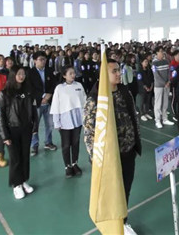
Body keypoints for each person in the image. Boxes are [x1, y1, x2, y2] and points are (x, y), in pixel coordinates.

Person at [84, 58, 141, 235]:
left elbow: (133, 117)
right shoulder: (96, 99)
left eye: (119, 70)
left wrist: (135, 140)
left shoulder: (124, 91)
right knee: (112, 193)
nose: (118, 74)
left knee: (125, 189)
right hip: (110, 158)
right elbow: (89, 132)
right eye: (114, 71)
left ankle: (123, 222)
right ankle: (113, 227)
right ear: (104, 74)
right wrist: (96, 158)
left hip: (128, 151)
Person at [0, 67, 37, 200]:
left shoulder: (28, 91)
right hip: (12, 130)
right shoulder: (5, 93)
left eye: (23, 74)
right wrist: (5, 135)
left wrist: (34, 126)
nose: (21, 76)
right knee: (15, 158)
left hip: (26, 129)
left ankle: (24, 180)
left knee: (25, 156)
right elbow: (1, 116)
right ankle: (16, 185)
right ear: (13, 75)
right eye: (19, 74)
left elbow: (33, 110)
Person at [51, 66, 86, 178]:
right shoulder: (59, 88)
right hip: (65, 120)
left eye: (74, 73)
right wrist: (56, 122)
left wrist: (85, 117)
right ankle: (67, 166)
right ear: (64, 75)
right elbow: (55, 105)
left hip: (77, 119)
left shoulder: (79, 86)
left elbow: (84, 101)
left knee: (75, 143)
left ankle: (75, 163)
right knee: (66, 145)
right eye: (70, 73)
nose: (73, 75)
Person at [28, 51, 58, 156]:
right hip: (37, 103)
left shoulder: (50, 70)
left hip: (49, 102)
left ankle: (48, 142)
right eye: (41, 59)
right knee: (34, 125)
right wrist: (42, 96)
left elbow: (54, 84)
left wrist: (49, 95)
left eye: (44, 59)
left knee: (49, 124)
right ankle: (34, 145)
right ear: (35, 61)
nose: (43, 61)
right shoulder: (30, 72)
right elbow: (30, 88)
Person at [152, 47, 173, 129]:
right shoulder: (154, 63)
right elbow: (156, 75)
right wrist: (164, 83)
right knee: (158, 104)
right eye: (160, 51)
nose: (162, 53)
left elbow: (169, 72)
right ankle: (157, 121)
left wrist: (168, 81)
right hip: (158, 86)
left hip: (166, 85)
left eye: (163, 51)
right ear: (157, 53)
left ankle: (165, 119)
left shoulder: (166, 61)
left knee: (165, 103)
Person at [137, 57, 154, 122]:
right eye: (145, 62)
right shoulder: (139, 71)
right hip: (143, 89)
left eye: (147, 62)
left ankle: (146, 112)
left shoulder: (149, 70)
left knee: (148, 101)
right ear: (141, 63)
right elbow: (140, 81)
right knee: (142, 101)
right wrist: (145, 87)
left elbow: (152, 79)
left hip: (149, 88)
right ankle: (142, 114)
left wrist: (151, 86)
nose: (146, 63)